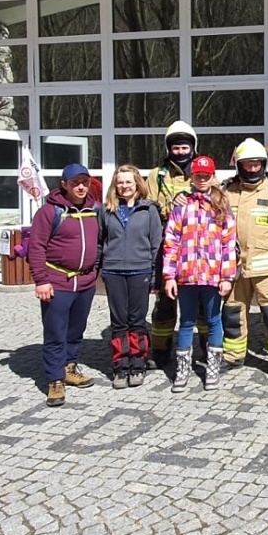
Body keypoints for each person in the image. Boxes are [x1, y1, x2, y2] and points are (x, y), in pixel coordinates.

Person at [28, 162, 104, 408]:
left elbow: (101, 241)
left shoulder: (95, 209)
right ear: (64, 185)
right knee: (55, 332)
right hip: (57, 281)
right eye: (75, 183)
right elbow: (36, 247)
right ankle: (55, 379)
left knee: (76, 330)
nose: (81, 187)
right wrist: (41, 280)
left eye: (84, 183)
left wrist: (96, 267)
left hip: (85, 281)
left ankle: (70, 367)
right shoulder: (49, 212)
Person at [222, 139, 268, 381]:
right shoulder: (225, 192)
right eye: (247, 165)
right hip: (234, 268)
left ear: (263, 165)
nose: (252, 169)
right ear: (239, 166)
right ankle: (233, 355)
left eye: (257, 165)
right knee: (233, 314)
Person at [160, 155, 236, 393]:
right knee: (186, 322)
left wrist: (227, 277)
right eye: (198, 175)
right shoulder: (182, 205)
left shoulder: (222, 205)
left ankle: (212, 368)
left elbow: (229, 244)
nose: (202, 179)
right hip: (186, 275)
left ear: (213, 177)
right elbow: (170, 241)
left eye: (206, 175)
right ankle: (182, 370)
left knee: (213, 321)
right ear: (191, 176)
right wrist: (169, 275)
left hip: (213, 276)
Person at [100, 164, 164, 388]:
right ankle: (120, 366)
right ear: (114, 185)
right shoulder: (106, 210)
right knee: (118, 322)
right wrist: (99, 269)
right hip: (113, 271)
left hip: (141, 271)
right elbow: (101, 242)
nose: (124, 186)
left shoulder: (149, 210)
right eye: (120, 182)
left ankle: (138, 364)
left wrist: (157, 278)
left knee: (136, 321)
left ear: (137, 183)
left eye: (128, 181)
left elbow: (157, 246)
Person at [149, 120, 198, 368]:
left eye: (184, 147)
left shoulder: (203, 172)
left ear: (193, 147)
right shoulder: (157, 175)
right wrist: (170, 207)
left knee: (200, 301)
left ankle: (204, 349)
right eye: (175, 148)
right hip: (166, 247)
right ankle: (160, 352)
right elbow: (148, 209)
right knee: (165, 304)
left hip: (197, 249)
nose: (180, 152)